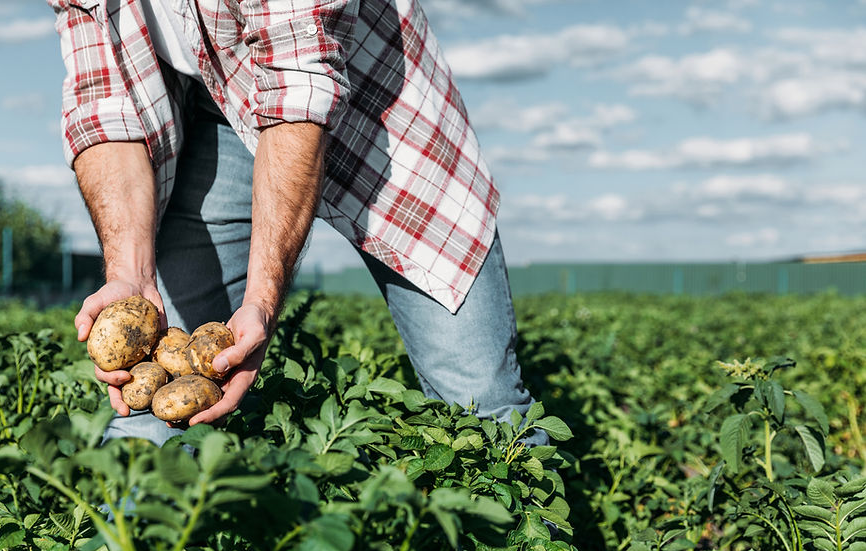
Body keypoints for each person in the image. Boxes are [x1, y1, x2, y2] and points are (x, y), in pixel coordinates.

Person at [47, 0, 545, 447]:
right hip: (211, 109)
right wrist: (129, 276)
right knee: (146, 412)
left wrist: (263, 303)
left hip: (381, 108)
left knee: (483, 408)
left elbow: (297, 83)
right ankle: (138, 542)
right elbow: (103, 105)